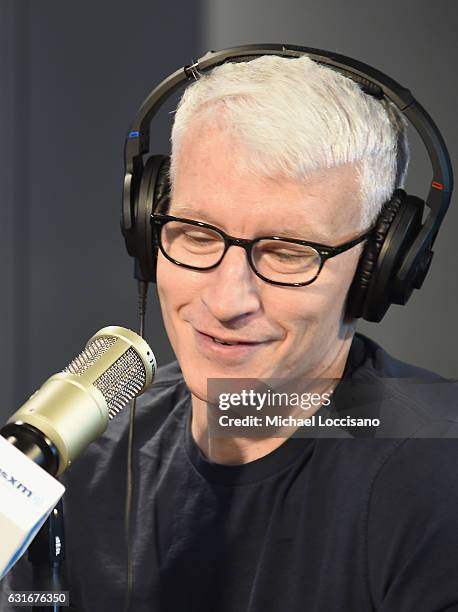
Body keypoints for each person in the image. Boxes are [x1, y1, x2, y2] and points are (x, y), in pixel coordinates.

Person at [1, 54, 458, 612]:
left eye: (289, 252)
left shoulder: (438, 481)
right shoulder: (80, 463)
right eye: (197, 234)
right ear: (147, 229)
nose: (225, 301)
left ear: (378, 269)